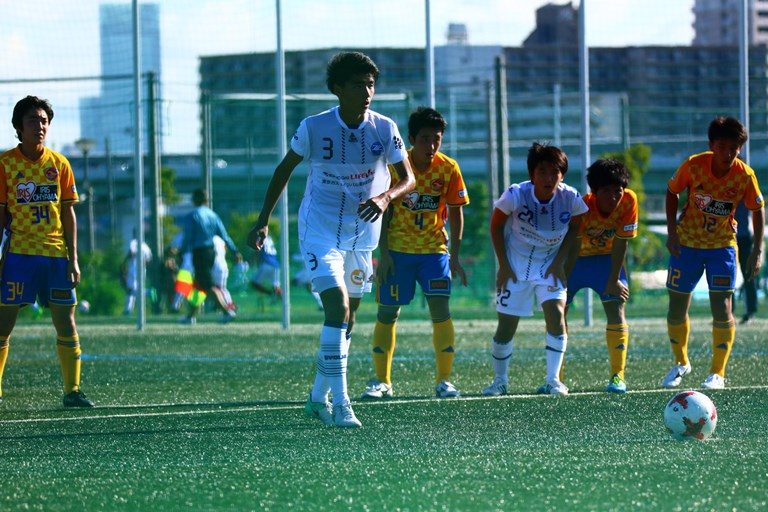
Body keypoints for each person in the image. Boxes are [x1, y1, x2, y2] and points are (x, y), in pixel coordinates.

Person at [247, 51, 415, 428]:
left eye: (371, 84)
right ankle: (342, 404)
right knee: (336, 309)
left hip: (362, 235)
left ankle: (316, 397)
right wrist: (262, 221)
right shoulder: (314, 127)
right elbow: (283, 170)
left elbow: (409, 178)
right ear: (337, 89)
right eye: (358, 85)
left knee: (348, 320)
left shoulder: (384, 128)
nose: (367, 92)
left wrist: (386, 197)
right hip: (319, 232)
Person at [360, 107, 469, 400]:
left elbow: (456, 213)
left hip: (434, 252)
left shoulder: (449, 168)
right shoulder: (396, 167)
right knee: (387, 312)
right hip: (398, 253)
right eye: (424, 139)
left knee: (441, 310)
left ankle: (444, 381)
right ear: (411, 139)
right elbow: (383, 212)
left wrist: (455, 256)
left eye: (436, 139)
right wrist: (383, 254)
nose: (431, 145)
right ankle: (382, 381)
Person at [0, 95, 94, 407]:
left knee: (66, 321)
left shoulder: (60, 164)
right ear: (19, 127)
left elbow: (68, 213)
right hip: (19, 256)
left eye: (44, 121)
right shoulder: (5, 165)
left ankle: (73, 390)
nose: (39, 126)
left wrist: (73, 258)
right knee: (4, 323)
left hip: (56, 257)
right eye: (32, 120)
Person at [662, 116, 764, 390]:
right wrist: (672, 232)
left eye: (734, 148)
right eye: (722, 147)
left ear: (740, 148)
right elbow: (671, 192)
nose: (728, 153)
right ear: (711, 145)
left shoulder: (744, 175)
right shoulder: (694, 165)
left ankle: (717, 372)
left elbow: (757, 209)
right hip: (686, 245)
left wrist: (757, 249)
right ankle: (681, 362)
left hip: (722, 247)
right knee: (676, 308)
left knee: (722, 308)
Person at [481, 142, 588, 397]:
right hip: (515, 265)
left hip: (549, 266)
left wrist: (560, 263)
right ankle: (499, 381)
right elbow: (495, 226)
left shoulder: (571, 198)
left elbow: (577, 229)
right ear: (532, 174)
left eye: (554, 172)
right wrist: (503, 266)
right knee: (506, 327)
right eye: (542, 172)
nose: (549, 178)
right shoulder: (515, 194)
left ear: (562, 175)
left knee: (557, 313)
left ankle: (553, 380)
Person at [564, 158, 638, 394]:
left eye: (617, 191)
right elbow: (574, 245)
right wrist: (563, 278)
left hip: (607, 261)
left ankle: (618, 376)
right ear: (594, 192)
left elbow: (621, 242)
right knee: (558, 312)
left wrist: (614, 279)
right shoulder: (582, 206)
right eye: (606, 191)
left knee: (616, 308)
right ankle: (557, 377)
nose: (613, 197)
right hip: (576, 260)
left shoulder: (629, 201)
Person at [179, 188, 242, 324]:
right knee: (199, 285)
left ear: (195, 199)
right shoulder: (213, 215)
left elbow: (188, 237)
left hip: (199, 252)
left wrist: (181, 252)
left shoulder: (192, 215)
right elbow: (224, 236)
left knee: (208, 285)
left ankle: (227, 312)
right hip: (210, 252)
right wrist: (235, 251)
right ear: (206, 200)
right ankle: (190, 317)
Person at [734, 202, 759, 324]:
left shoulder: (747, 191)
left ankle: (750, 311)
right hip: (728, 236)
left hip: (744, 237)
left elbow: (758, 211)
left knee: (748, 274)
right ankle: (727, 311)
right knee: (727, 275)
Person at [121, 236, 153, 315]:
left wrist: (124, 262)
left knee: (131, 290)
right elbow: (149, 259)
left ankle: (148, 292)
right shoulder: (145, 246)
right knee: (133, 290)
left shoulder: (134, 242)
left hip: (133, 270)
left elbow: (131, 253)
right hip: (142, 270)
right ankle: (128, 310)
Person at [249, 233, 282, 298]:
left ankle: (270, 294)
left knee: (254, 284)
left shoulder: (260, 238)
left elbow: (257, 250)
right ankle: (284, 300)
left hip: (266, 264)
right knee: (276, 287)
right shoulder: (270, 238)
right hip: (275, 265)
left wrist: (253, 261)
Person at [212, 234, 237, 317]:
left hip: (215, 265)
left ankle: (229, 309)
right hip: (223, 264)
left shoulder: (210, 238)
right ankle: (229, 306)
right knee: (222, 288)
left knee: (219, 289)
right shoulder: (221, 239)